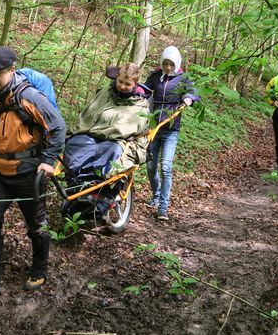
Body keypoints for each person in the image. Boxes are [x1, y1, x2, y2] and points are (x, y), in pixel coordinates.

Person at [0, 47, 66, 295]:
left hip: (29, 172)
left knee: (37, 226)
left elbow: (57, 127)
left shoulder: (30, 97)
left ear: (12, 70)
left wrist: (48, 160)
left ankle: (39, 270)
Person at [62, 62, 151, 220]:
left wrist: (112, 131)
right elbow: (90, 114)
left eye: (127, 84)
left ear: (135, 84)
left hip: (115, 141)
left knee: (113, 150)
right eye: (120, 82)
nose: (122, 86)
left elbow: (133, 126)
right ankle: (78, 181)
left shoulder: (140, 105)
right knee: (73, 143)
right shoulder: (105, 93)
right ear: (116, 78)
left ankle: (96, 185)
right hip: (92, 135)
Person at [144, 46, 199, 221]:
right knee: (151, 167)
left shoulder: (183, 78)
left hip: (171, 129)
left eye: (171, 64)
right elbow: (144, 89)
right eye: (166, 64)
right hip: (153, 127)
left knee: (166, 167)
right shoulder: (155, 76)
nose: (168, 67)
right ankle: (156, 195)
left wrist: (189, 98)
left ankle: (163, 206)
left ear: (177, 64)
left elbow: (193, 91)